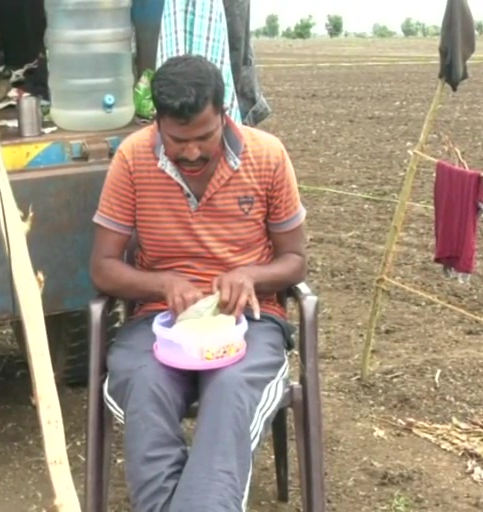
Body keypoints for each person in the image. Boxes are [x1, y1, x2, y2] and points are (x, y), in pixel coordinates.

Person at [89, 54, 307, 512]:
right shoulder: (132, 158)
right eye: (176, 140)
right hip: (160, 324)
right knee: (144, 382)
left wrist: (249, 274)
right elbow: (104, 268)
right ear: (158, 125)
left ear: (224, 116)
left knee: (231, 391)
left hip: (249, 321)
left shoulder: (267, 155)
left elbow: (295, 261)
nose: (191, 152)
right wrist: (162, 284)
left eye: (204, 137)